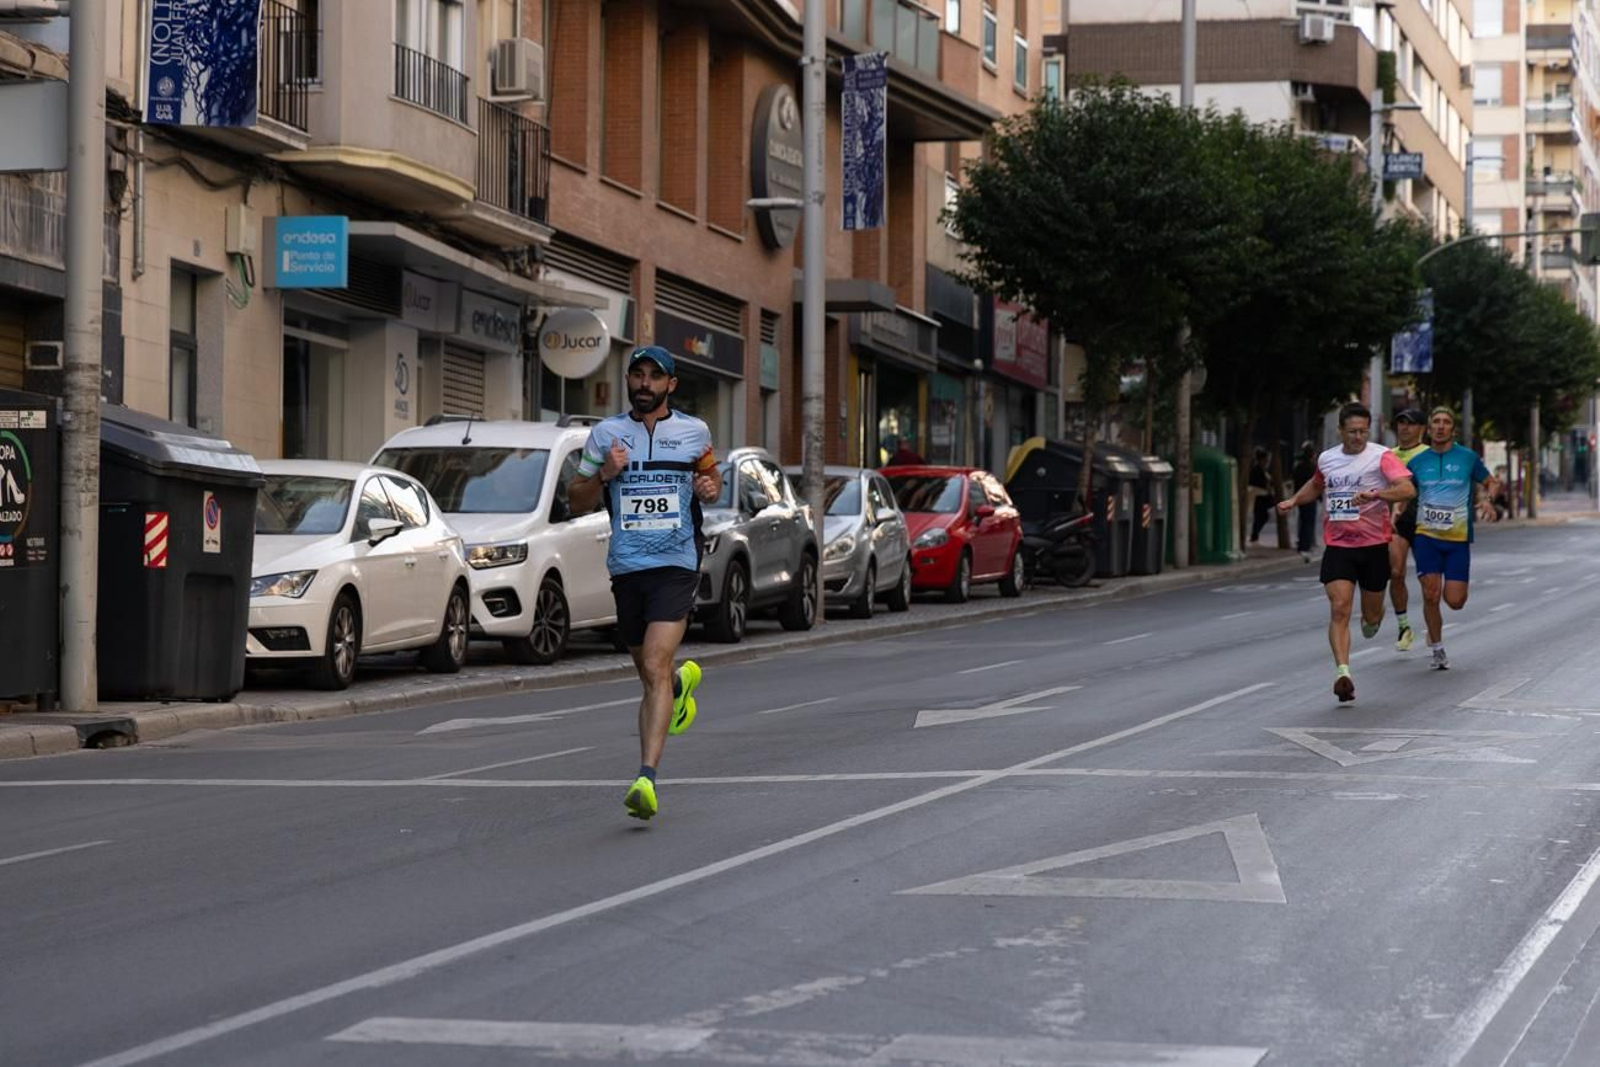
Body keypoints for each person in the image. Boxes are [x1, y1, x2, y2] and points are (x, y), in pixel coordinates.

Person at [568, 346, 723, 821]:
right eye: (637, 374)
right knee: (647, 667)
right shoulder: (606, 434)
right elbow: (576, 501)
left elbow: (710, 477)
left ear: (670, 385)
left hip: (677, 560)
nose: (644, 383)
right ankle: (679, 685)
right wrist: (606, 475)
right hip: (627, 565)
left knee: (653, 663)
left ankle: (645, 780)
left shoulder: (694, 432)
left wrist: (710, 487)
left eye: (655, 376)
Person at [1277, 402, 1415, 703]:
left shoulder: (1382, 456)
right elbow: (1316, 486)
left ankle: (1373, 621)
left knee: (1371, 613)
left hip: (1374, 546)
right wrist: (1294, 501)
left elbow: (1407, 490)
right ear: (1340, 430)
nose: (1357, 437)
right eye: (1352, 431)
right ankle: (1343, 673)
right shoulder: (1328, 459)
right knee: (1340, 608)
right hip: (1339, 546)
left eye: (1363, 431)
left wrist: (1376, 495)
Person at [1406, 406, 1497, 671]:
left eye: (1446, 422)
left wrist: (1486, 499)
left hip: (1457, 539)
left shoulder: (1467, 458)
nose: (1441, 426)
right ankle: (1437, 647)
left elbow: (1491, 481)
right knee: (1431, 594)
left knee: (1455, 601)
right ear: (1429, 428)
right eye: (1436, 422)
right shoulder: (1418, 461)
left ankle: (1433, 625)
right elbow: (1405, 489)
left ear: (1452, 429)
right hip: (1426, 536)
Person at [1386, 409, 1429, 652]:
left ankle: (1432, 624)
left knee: (1428, 580)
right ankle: (1404, 626)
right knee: (1396, 572)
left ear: (1421, 428)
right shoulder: (1388, 455)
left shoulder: (1429, 455)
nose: (1404, 428)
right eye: (1401, 423)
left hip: (1424, 522)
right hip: (1396, 523)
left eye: (1410, 424)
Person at [1292, 441, 1317, 562]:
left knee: (1302, 520)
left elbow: (1295, 483)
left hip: (1300, 497)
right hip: (1311, 498)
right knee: (1309, 522)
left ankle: (1301, 543)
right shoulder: (1313, 467)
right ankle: (1306, 545)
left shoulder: (1299, 467)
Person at [1248, 447, 1275, 543]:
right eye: (1265, 459)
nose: (1267, 462)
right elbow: (1256, 483)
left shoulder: (1263, 469)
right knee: (1260, 516)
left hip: (1263, 496)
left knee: (1262, 516)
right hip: (1259, 496)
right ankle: (1254, 535)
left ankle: (1255, 535)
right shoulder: (1256, 469)